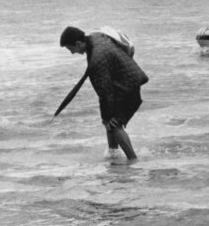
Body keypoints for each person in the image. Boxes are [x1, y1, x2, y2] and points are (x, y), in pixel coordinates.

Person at [60, 26, 149, 161]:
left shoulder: (97, 58)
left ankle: (133, 160)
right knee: (109, 121)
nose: (72, 53)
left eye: (71, 49)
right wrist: (106, 117)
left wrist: (106, 117)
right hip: (126, 80)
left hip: (127, 86)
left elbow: (105, 91)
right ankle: (113, 156)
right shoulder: (95, 37)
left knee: (114, 124)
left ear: (78, 43)